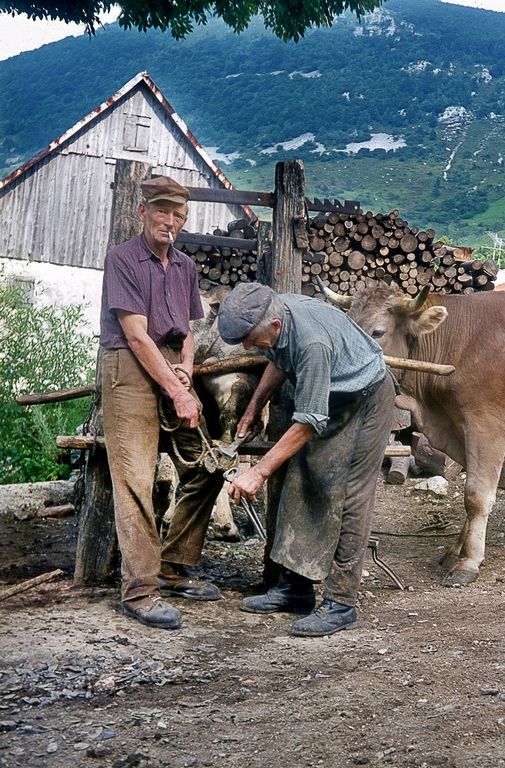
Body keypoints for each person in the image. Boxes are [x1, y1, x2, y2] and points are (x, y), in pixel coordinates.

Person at [217, 282, 395, 637]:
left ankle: (341, 602)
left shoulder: (312, 343)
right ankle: (297, 588)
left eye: (249, 340)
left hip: (367, 399)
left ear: (274, 325)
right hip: (332, 396)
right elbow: (279, 358)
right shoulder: (277, 312)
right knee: (302, 480)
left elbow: (311, 421)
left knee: (350, 497)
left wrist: (259, 472)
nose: (248, 348)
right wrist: (254, 406)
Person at [99, 175, 225, 630]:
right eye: (162, 212)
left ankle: (173, 566)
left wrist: (186, 371)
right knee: (135, 478)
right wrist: (176, 391)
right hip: (130, 369)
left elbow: (188, 330)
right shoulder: (122, 259)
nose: (170, 222)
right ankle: (140, 590)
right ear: (143, 212)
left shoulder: (186, 266)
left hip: (171, 364)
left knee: (208, 466)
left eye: (178, 216)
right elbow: (135, 335)